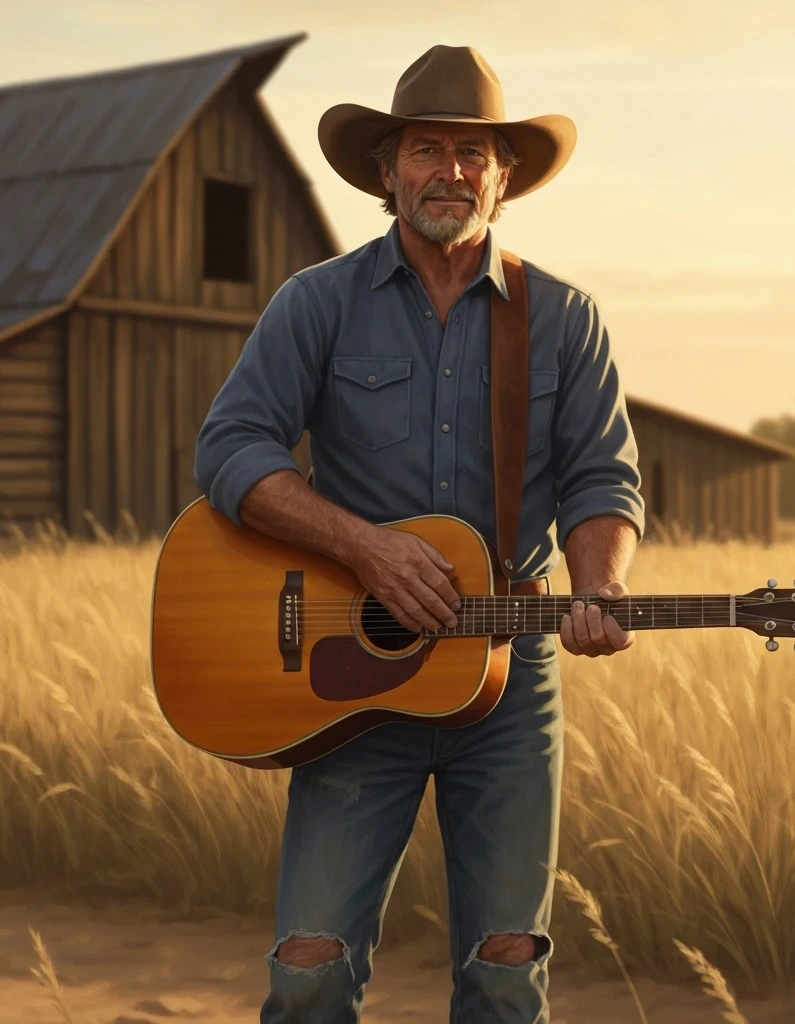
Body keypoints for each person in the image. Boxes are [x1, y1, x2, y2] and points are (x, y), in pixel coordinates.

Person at [194, 43, 645, 1024]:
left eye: (473, 154)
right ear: (386, 169)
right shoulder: (315, 303)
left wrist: (602, 584)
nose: (450, 171)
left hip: (507, 685)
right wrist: (362, 548)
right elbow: (230, 449)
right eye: (428, 149)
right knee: (308, 971)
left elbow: (601, 480)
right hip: (344, 681)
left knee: (503, 968)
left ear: (504, 176)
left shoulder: (564, 318)